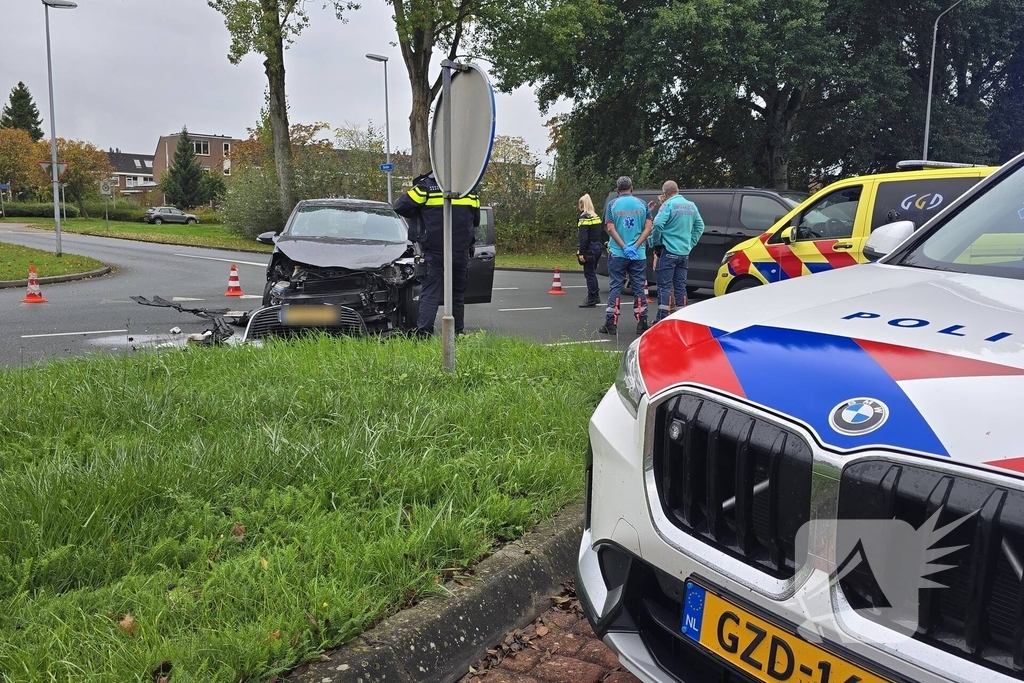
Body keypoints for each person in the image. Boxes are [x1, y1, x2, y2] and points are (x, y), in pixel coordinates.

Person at [394, 171, 480, 336]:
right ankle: (457, 333)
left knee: (430, 294)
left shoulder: (425, 188)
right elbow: (475, 220)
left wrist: (419, 212)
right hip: (460, 251)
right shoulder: (469, 190)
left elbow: (399, 206)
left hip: (434, 251)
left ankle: (424, 334)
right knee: (457, 295)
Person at [600, 176, 652, 335]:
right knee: (639, 287)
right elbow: (648, 228)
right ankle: (642, 322)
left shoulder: (612, 205)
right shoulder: (642, 204)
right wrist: (635, 246)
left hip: (618, 252)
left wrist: (623, 246)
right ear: (632, 188)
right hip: (638, 254)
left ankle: (611, 323)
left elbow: (610, 228)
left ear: (617, 190)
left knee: (615, 286)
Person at [650, 180, 704, 321]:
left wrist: (656, 244)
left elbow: (657, 225)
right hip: (683, 253)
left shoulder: (668, 204)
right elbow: (700, 226)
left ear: (665, 193)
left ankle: (662, 319)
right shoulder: (691, 206)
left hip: (668, 251)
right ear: (677, 190)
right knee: (681, 287)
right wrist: (690, 243)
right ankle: (681, 318)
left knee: (664, 287)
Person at [576, 194, 604, 308]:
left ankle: (592, 297)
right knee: (592, 272)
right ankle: (595, 295)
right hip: (597, 247)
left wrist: (582, 252)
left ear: (582, 204)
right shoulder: (596, 217)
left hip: (589, 249)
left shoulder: (584, 218)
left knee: (589, 274)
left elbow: (583, 238)